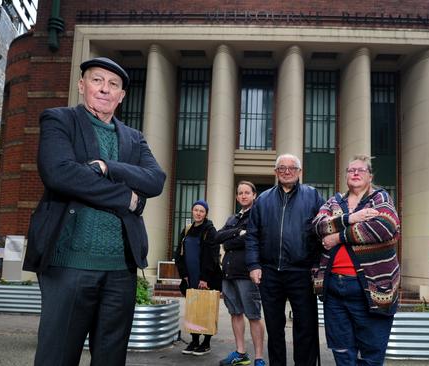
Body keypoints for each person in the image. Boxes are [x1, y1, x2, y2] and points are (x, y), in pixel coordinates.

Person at [23, 57, 166, 366]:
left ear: (122, 96)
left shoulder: (134, 138)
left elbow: (156, 180)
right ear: (81, 85)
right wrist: (128, 198)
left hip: (120, 271)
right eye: (97, 80)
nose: (105, 89)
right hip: (68, 265)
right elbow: (60, 174)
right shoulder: (59, 120)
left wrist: (106, 167)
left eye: (113, 84)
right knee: (56, 357)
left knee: (111, 359)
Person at [312, 154, 401, 366]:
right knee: (342, 351)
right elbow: (317, 225)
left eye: (360, 170)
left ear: (370, 176)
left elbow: (384, 227)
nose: (355, 173)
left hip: (371, 288)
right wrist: (350, 219)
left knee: (370, 354)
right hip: (334, 286)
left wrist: (338, 237)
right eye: (351, 170)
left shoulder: (380, 199)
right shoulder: (335, 201)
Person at [245, 153, 324, 366]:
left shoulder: (313, 196)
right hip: (270, 273)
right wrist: (253, 264)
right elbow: (252, 234)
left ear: (299, 172)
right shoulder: (262, 199)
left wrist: (318, 266)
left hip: (302, 272)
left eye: (292, 167)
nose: (287, 171)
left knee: (305, 327)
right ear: (276, 172)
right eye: (282, 167)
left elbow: (322, 233)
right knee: (274, 326)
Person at [215, 181, 266, 366]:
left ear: (254, 195)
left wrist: (231, 238)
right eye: (240, 193)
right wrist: (238, 233)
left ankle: (259, 358)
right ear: (236, 197)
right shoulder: (233, 218)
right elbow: (218, 238)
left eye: (247, 192)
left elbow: (253, 239)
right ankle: (241, 353)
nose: (243, 195)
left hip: (247, 274)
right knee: (235, 313)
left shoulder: (258, 216)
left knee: (253, 315)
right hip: (228, 272)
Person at [174, 199, 221, 356]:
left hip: (206, 277)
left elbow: (212, 257)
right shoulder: (187, 230)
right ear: (192, 211)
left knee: (206, 309)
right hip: (190, 277)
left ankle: (206, 343)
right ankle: (194, 341)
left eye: (202, 211)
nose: (198, 213)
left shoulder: (210, 230)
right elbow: (178, 254)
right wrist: (184, 275)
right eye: (196, 210)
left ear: (206, 213)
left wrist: (204, 278)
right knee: (193, 309)